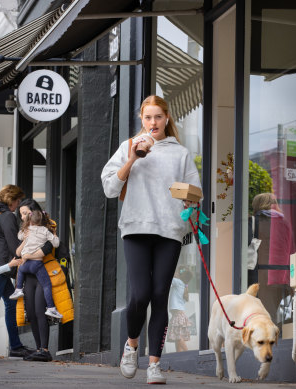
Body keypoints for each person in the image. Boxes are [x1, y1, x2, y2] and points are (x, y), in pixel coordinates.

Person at [101, 95, 201, 384]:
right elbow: (109, 186)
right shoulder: (128, 147)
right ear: (141, 120)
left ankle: (155, 365)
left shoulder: (180, 153)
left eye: (158, 117)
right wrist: (134, 156)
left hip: (169, 231)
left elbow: (194, 191)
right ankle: (132, 344)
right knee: (140, 294)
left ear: (167, 119)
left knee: (160, 296)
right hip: (136, 228)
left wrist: (189, 202)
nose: (153, 122)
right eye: (148, 118)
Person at [0, 184, 34, 359]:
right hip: (0, 268)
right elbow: (13, 245)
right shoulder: (7, 216)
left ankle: (15, 346)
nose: (17, 206)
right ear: (11, 200)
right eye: (17, 201)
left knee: (10, 304)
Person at [16, 199, 67, 362]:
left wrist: (28, 255)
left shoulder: (48, 226)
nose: (23, 217)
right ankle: (39, 349)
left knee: (39, 310)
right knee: (31, 312)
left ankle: (45, 349)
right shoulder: (26, 229)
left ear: (33, 212)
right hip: (29, 273)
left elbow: (45, 250)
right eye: (21, 214)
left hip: (43, 270)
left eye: (25, 213)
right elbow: (19, 252)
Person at [9, 209, 63, 319]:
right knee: (47, 285)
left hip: (24, 264)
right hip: (36, 264)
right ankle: (51, 308)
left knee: (21, 272)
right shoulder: (45, 231)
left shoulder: (27, 230)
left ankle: (18, 289)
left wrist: (24, 230)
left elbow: (19, 236)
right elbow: (56, 244)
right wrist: (55, 235)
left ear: (30, 220)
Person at [251, 193, 295, 323]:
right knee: (272, 312)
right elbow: (291, 249)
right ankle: (277, 338)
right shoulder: (285, 222)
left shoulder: (256, 221)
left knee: (264, 314)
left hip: (264, 275)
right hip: (283, 276)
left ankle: (271, 340)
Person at [167, 266, 193, 352]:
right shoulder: (183, 285)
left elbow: (167, 279)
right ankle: (178, 354)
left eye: (176, 272)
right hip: (179, 314)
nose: (174, 273)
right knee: (177, 337)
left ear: (179, 275)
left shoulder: (178, 282)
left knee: (178, 337)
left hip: (178, 314)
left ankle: (187, 352)